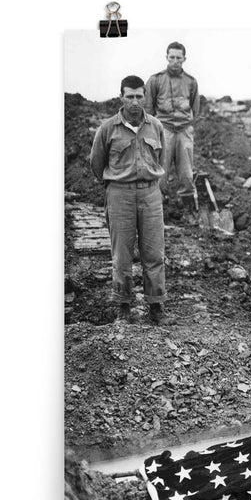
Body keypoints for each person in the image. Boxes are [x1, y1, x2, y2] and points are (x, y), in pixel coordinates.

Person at [90, 75, 168, 324]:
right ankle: (123, 307)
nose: (135, 102)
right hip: (120, 194)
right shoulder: (108, 128)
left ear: (145, 97)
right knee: (122, 255)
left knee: (154, 253)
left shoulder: (155, 126)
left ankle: (156, 308)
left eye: (139, 96)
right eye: (130, 96)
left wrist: (153, 184)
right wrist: (116, 183)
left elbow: (162, 159)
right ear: (121, 97)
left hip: (150, 194)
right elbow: (96, 163)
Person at [144, 41, 200, 220]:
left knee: (186, 173)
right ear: (166, 57)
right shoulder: (156, 80)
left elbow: (196, 110)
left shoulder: (191, 82)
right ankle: (157, 209)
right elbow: (148, 109)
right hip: (164, 130)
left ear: (184, 59)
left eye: (179, 58)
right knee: (160, 170)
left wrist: (188, 128)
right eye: (172, 57)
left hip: (184, 131)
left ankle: (188, 210)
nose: (175, 61)